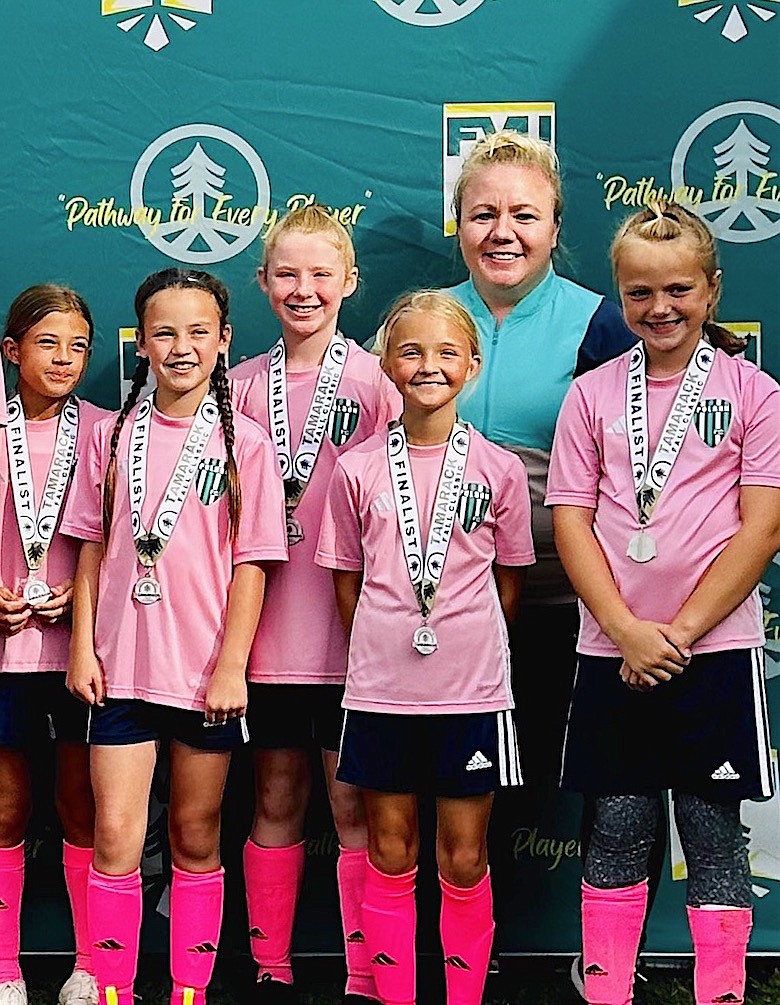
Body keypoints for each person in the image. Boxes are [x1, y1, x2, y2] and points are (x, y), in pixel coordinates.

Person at [546, 200, 780, 1005]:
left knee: (714, 835)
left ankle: (720, 993)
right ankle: (608, 989)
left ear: (712, 291)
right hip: (612, 651)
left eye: (679, 289)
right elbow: (571, 520)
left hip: (710, 650)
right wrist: (623, 629)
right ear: (619, 296)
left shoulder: (757, 392)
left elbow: (764, 526)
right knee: (615, 829)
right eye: (639, 293)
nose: (661, 308)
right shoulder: (591, 395)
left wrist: (674, 633)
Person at [446, 129, 652, 984]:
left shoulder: (599, 319)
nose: (504, 230)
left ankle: (604, 960)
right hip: (450, 610)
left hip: (574, 602)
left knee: (611, 780)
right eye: (484, 212)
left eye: (524, 214)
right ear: (457, 221)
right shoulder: (428, 317)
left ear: (555, 223)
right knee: (456, 785)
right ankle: (465, 955)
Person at [63, 269, 287, 1005]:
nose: (181, 346)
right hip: (121, 672)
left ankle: (191, 989)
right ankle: (114, 990)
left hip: (204, 677)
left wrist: (231, 666)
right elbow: (91, 548)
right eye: (164, 332)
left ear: (225, 340)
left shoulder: (244, 444)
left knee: (195, 837)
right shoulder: (110, 434)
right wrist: (81, 645)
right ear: (142, 344)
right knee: (116, 838)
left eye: (198, 332)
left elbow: (252, 564)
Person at [316, 290, 535, 1005]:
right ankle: (395, 996)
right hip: (380, 690)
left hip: (471, 692)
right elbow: (348, 581)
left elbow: (508, 582)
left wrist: (460, 637)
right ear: (386, 364)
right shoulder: (355, 469)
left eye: (446, 352)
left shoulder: (499, 468)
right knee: (389, 847)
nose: (428, 365)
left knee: (465, 856)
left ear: (472, 364)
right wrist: (384, 644)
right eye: (410, 351)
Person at [230, 204, 398, 1005]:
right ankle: (270, 968)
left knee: (351, 802)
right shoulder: (235, 388)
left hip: (354, 638)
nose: (304, 289)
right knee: (274, 796)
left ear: (350, 282)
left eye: (321, 274)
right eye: (287, 274)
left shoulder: (378, 382)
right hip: (265, 640)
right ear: (262, 282)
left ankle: (367, 976)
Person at [0, 285, 105, 1005]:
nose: (64, 358)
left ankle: (88, 964)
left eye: (78, 346)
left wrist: (86, 598)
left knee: (81, 807)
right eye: (47, 343)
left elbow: (128, 537)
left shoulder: (102, 429)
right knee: (5, 809)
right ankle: (5, 968)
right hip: (6, 657)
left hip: (78, 655)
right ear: (11, 352)